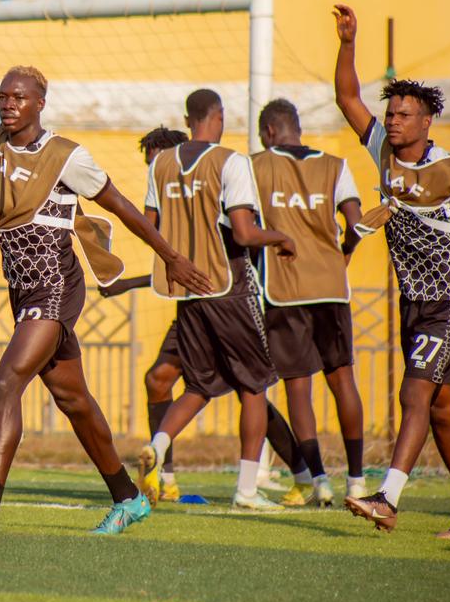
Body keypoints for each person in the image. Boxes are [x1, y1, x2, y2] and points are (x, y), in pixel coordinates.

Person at [0, 0, 211, 540]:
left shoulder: (70, 157)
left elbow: (122, 208)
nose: (6, 104)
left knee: (7, 379)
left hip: (57, 286)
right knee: (74, 399)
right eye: (3, 97)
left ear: (40, 104)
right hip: (23, 287)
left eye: (18, 98)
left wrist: (173, 256)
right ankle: (128, 496)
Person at [333, 4, 450, 538]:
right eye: (392, 113)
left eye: (404, 115)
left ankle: (387, 497)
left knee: (414, 394)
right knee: (442, 408)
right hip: (413, 299)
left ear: (427, 121)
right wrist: (348, 43)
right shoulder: (383, 151)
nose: (393, 120)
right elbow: (346, 98)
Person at [102, 126, 307, 504]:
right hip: (195, 300)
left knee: (249, 389)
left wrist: (129, 283)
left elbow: (214, 250)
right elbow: (176, 256)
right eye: (150, 163)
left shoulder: (216, 186)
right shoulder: (177, 184)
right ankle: (165, 471)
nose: (154, 168)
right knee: (176, 380)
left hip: (226, 298)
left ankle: (304, 473)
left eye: (156, 160)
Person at [252, 98, 367, 507]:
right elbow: (357, 226)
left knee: (298, 389)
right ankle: (357, 480)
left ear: (268, 132)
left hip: (284, 291)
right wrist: (344, 252)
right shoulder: (336, 165)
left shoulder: (257, 166)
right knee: (343, 381)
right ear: (296, 128)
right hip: (332, 288)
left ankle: (319, 480)